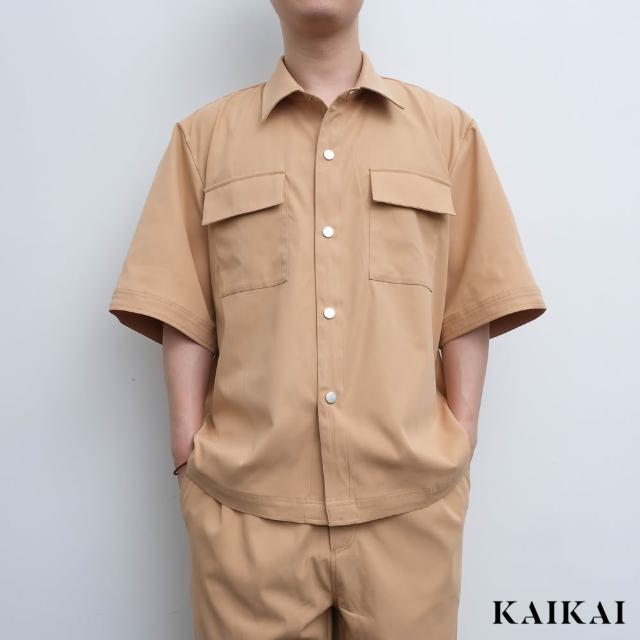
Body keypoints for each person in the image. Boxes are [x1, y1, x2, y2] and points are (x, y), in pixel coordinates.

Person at [108, 1, 547, 637]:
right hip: (247, 513)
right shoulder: (203, 141)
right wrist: (187, 452)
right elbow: (181, 307)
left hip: (410, 509)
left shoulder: (445, 134)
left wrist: (461, 438)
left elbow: (473, 299)